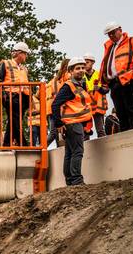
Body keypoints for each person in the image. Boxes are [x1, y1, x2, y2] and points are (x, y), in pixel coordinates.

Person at [99, 21, 133, 131]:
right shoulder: (109, 46)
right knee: (120, 111)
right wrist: (105, 81)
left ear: (120, 30)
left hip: (128, 80)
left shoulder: (132, 41)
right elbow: (106, 64)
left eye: (113, 32)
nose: (111, 35)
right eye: (109, 34)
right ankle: (125, 133)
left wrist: (132, 74)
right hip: (114, 82)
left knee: (131, 108)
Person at [52, 57, 93, 186]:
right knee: (77, 152)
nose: (81, 70)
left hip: (74, 123)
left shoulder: (81, 84)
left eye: (82, 67)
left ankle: (70, 181)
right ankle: (76, 180)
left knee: (69, 152)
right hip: (72, 123)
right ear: (70, 71)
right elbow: (55, 105)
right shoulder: (68, 86)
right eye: (77, 68)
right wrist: (58, 123)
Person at [0, 42, 32, 146]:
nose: (26, 56)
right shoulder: (5, 63)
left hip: (23, 98)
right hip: (10, 96)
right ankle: (23, 143)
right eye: (25, 54)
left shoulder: (24, 68)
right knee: (16, 121)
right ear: (20, 53)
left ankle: (6, 144)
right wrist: (2, 95)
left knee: (14, 121)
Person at [83, 53, 109, 138]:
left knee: (100, 130)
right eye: (84, 63)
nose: (85, 65)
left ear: (92, 62)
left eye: (87, 62)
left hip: (98, 106)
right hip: (86, 107)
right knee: (85, 132)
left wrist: (100, 89)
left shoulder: (99, 74)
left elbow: (107, 89)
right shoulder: (81, 76)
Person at [45, 59, 70, 147]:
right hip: (55, 110)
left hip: (50, 110)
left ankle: (58, 147)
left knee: (55, 132)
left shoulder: (50, 83)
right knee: (54, 132)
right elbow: (58, 97)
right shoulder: (56, 82)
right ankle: (41, 148)